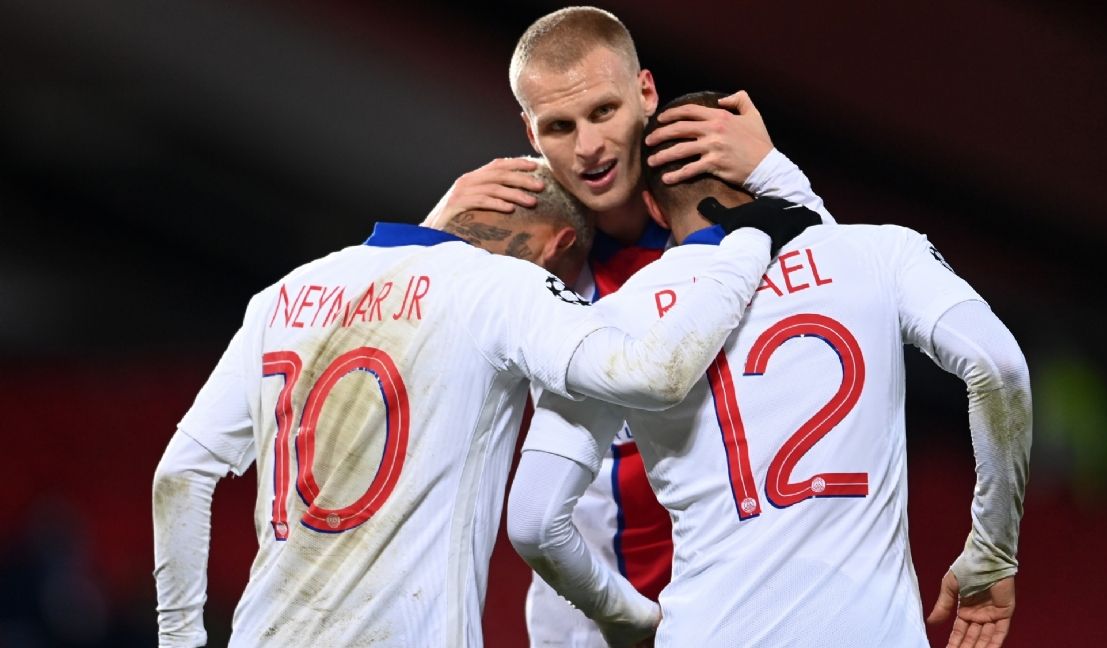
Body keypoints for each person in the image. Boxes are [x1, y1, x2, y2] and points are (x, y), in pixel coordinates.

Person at [150, 158, 799, 647]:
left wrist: (179, 639)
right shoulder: (502, 288)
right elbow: (654, 373)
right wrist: (745, 243)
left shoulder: (284, 295)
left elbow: (180, 474)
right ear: (559, 246)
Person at [506, 92, 1032, 648]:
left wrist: (624, 615)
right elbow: (999, 366)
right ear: (757, 170)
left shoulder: (613, 320)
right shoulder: (879, 252)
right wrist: (992, 550)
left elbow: (535, 522)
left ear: (655, 209)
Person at [424, 8, 838, 646]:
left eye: (603, 111)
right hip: (596, 624)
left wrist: (774, 173)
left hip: (746, 610)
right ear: (531, 132)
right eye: (560, 126)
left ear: (646, 92)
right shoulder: (528, 250)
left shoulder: (728, 213)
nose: (588, 147)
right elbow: (395, 363)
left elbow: (844, 300)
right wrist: (431, 238)